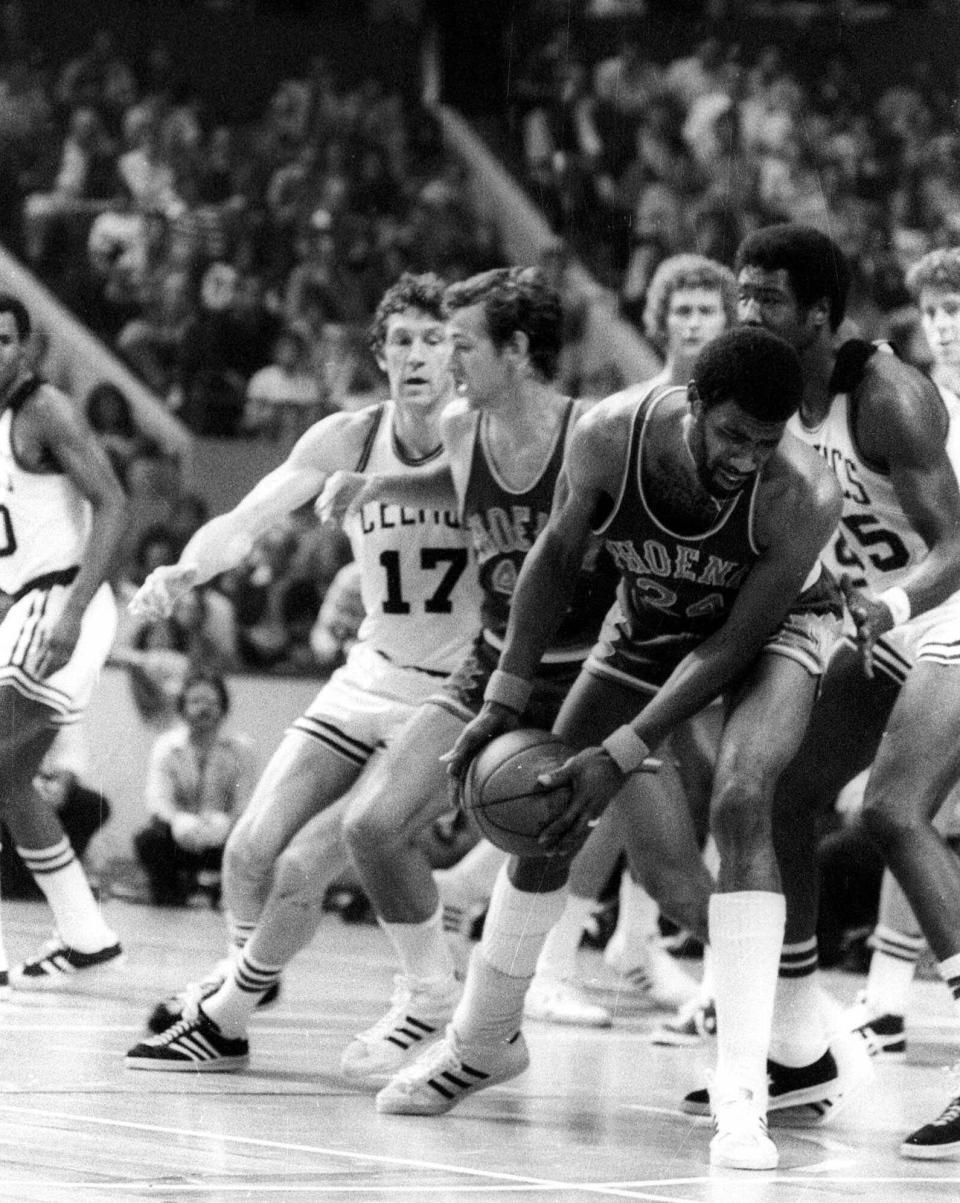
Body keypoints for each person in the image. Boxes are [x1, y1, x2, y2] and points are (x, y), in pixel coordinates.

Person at [376, 325, 843, 1175]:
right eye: (734, 435)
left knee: (743, 797)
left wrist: (625, 748)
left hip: (774, 631)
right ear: (694, 404)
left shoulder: (802, 492)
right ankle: (481, 1041)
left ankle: (743, 1092)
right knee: (549, 793)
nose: (747, 457)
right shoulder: (610, 436)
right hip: (656, 611)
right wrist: (504, 697)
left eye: (766, 442)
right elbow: (554, 558)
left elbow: (735, 642)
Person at [122, 272, 483, 1070]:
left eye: (434, 340)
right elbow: (248, 518)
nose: (418, 355)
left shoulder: (482, 437)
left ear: (459, 355)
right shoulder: (347, 436)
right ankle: (241, 989)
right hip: (370, 671)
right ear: (379, 355)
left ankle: (233, 1010)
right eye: (402, 341)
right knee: (249, 848)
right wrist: (187, 569)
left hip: (456, 687)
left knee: (306, 860)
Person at [315, 266, 621, 1073]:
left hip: (595, 672)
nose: (447, 361)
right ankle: (431, 998)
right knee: (370, 826)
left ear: (516, 350)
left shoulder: (592, 433)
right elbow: (453, 484)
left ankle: (791, 1040)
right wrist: (379, 480)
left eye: (460, 344)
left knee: (680, 875)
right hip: (494, 663)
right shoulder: (459, 427)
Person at [736, 234, 960, 1160]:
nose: (750, 315)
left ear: (821, 316)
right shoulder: (762, 392)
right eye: (741, 296)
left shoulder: (892, 398)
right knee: (782, 796)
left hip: (941, 606)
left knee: (891, 811)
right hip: (872, 618)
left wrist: (892, 600)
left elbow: (955, 545)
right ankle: (797, 1050)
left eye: (768, 301)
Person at [0, 292, 126, 990]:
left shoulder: (44, 410)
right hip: (25, 604)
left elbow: (113, 504)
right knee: (12, 784)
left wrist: (73, 609)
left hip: (62, 600)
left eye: (4, 339)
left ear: (27, 346)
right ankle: (87, 937)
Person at [133, 673, 254, 907]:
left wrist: (226, 822)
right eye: (196, 702)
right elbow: (158, 799)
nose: (203, 709)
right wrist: (179, 820)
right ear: (183, 707)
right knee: (148, 840)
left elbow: (245, 800)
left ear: (223, 707)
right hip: (180, 834)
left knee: (253, 841)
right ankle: (170, 896)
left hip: (223, 836)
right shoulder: (167, 746)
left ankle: (224, 893)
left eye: (211, 702)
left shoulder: (241, 748)